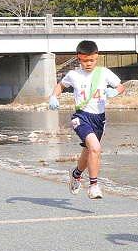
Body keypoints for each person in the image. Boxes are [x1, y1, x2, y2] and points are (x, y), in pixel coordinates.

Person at [48, 40, 125, 199]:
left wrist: (115, 92)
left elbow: (121, 86)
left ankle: (76, 174)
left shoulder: (104, 73)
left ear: (97, 57)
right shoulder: (74, 75)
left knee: (89, 150)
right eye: (85, 60)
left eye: (92, 60)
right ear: (79, 58)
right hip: (81, 117)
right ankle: (94, 185)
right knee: (95, 148)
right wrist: (53, 97)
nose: (89, 63)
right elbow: (61, 85)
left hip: (99, 119)